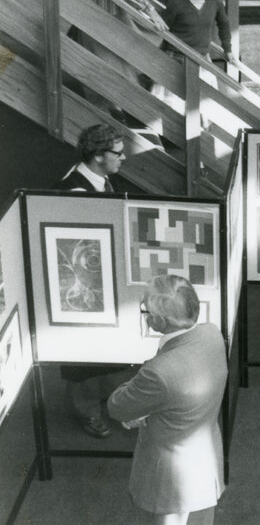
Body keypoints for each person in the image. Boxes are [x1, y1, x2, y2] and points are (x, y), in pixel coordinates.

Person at [108, 275, 227, 525]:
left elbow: (117, 406)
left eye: (146, 310)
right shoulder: (212, 334)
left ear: (159, 321)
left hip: (171, 478)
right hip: (204, 462)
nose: (146, 316)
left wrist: (144, 383)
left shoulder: (158, 372)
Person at [55, 124, 127, 439]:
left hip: (101, 280)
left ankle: (112, 405)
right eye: (118, 153)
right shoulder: (77, 191)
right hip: (82, 287)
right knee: (85, 356)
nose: (123, 158)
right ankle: (89, 413)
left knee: (110, 349)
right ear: (98, 156)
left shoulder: (96, 177)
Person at [163, 0, 235, 64]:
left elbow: (224, 25)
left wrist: (228, 50)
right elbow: (163, 28)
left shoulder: (215, 1)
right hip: (176, 58)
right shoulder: (176, 3)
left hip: (203, 58)